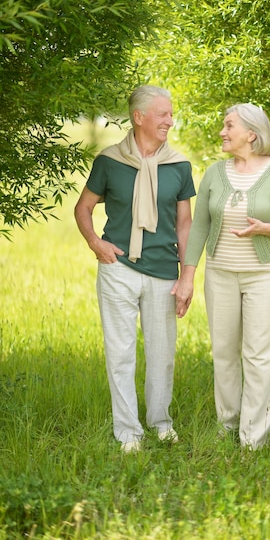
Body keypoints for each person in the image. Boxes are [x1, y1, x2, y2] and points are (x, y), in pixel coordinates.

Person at [173, 103, 270, 450]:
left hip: (265, 275)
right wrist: (187, 276)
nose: (222, 131)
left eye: (228, 125)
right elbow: (200, 224)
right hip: (220, 274)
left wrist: (269, 228)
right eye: (223, 125)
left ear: (251, 133)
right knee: (224, 352)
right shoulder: (216, 174)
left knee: (259, 354)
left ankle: (253, 438)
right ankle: (227, 425)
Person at [74, 85, 195, 452]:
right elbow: (83, 208)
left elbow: (185, 223)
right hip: (118, 268)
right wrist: (96, 243)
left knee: (162, 354)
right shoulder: (110, 161)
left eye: (171, 115)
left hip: (163, 272)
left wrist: (187, 276)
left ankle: (161, 423)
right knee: (120, 353)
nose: (170, 122)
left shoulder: (179, 165)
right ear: (139, 117)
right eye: (163, 115)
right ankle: (128, 432)